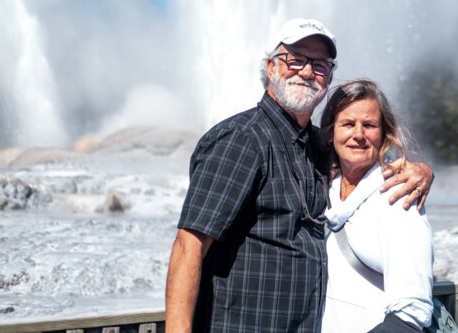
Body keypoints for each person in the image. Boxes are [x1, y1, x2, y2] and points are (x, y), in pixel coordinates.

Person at [165, 18, 434, 333]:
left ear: (329, 76)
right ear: (271, 67)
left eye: (320, 65)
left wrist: (421, 170)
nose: (307, 72)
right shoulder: (242, 139)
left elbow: (363, 159)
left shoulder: (317, 148)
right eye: (295, 60)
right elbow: (189, 244)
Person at [319, 79, 434, 333]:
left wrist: (423, 171)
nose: (358, 135)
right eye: (348, 124)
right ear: (330, 133)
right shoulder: (320, 191)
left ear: (383, 135)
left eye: (369, 125)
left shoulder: (398, 199)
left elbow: (412, 310)